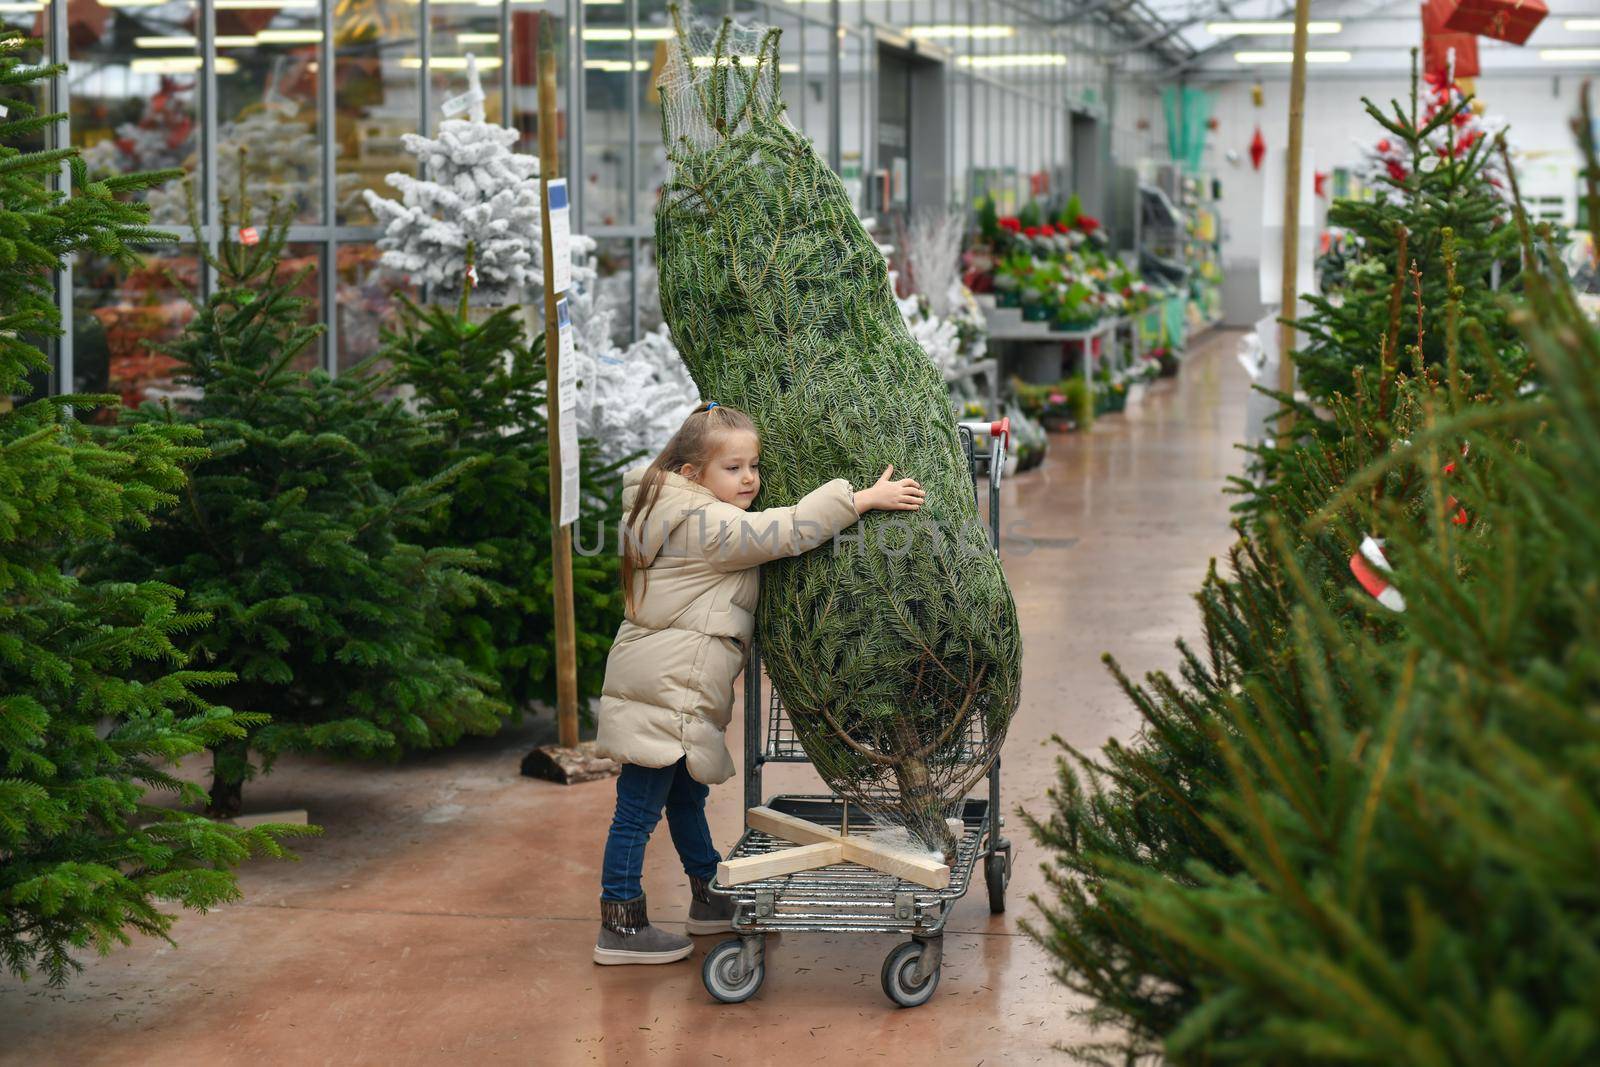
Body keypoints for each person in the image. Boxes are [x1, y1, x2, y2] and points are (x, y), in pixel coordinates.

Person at [592, 400, 926, 964]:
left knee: (685, 795)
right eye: (734, 468)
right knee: (639, 806)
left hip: (669, 680)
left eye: (754, 466)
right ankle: (620, 925)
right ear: (693, 474)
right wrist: (862, 499)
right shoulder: (706, 523)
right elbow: (785, 530)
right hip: (667, 687)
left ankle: (708, 897)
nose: (749, 479)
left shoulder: (671, 506)